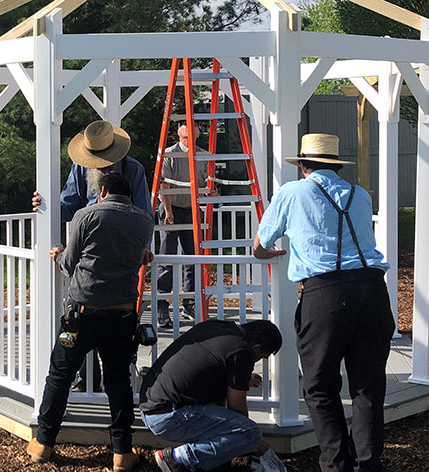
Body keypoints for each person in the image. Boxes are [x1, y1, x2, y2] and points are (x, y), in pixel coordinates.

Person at [253, 133, 395, 472]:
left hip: (326, 293)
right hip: (373, 290)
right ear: (335, 166)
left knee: (319, 385)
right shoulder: (359, 194)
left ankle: (335, 464)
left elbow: (260, 243)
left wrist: (269, 253)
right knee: (368, 385)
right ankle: (368, 464)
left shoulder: (292, 192)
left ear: (302, 166)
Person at [26, 172, 155, 472]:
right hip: (122, 314)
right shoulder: (143, 221)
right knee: (118, 382)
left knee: (59, 375)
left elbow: (69, 263)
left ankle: (44, 443)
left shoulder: (85, 215)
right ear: (129, 196)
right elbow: (139, 255)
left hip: (82, 313)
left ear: (103, 191)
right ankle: (122, 452)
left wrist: (57, 255)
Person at [31, 119, 152, 391]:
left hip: (119, 249)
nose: (97, 163)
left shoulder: (133, 169)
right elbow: (68, 206)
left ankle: (114, 381)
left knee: (110, 320)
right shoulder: (80, 167)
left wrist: (143, 245)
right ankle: (89, 381)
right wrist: (45, 206)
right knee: (81, 316)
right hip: (88, 247)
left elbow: (144, 214)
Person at [139, 319, 282, 472]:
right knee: (250, 432)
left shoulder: (218, 326)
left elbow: (209, 366)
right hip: (169, 416)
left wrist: (243, 377)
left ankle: (205, 463)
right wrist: (253, 442)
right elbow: (237, 407)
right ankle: (176, 458)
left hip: (152, 405)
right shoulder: (242, 352)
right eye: (261, 356)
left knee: (224, 405)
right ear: (257, 348)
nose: (258, 360)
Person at [156, 121, 207, 328]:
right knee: (167, 259)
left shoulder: (203, 155)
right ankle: (161, 305)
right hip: (172, 208)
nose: (189, 133)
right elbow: (163, 184)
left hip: (192, 210)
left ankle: (190, 303)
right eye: (185, 128)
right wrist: (167, 211)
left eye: (193, 127)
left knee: (192, 258)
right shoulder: (170, 153)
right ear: (179, 132)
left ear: (197, 132)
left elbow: (207, 183)